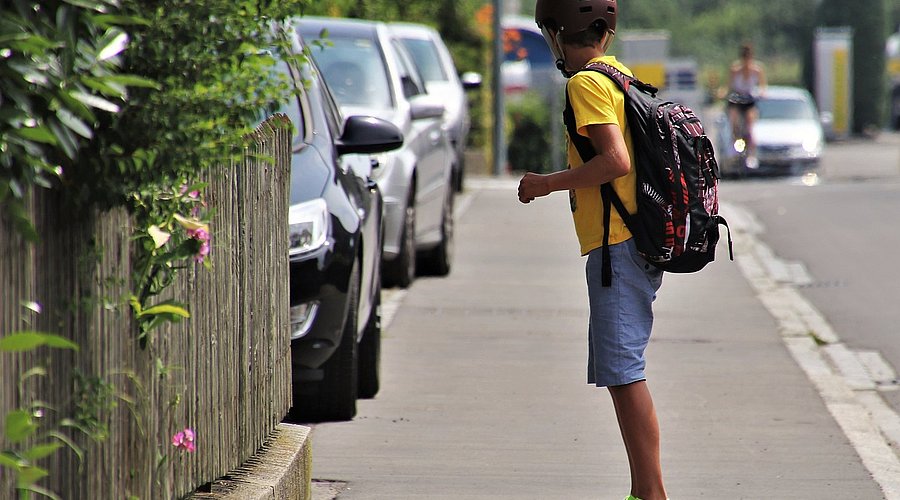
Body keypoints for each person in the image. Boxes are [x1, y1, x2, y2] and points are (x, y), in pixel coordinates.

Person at [517, 1, 668, 499]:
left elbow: (615, 161)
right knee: (622, 371)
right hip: (632, 240)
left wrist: (546, 183)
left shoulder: (584, 83)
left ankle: (650, 494)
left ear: (559, 34)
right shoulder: (619, 74)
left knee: (625, 374)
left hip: (618, 243)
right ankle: (642, 491)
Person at [726, 43, 767, 168]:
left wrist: (761, 93)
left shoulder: (757, 70)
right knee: (734, 120)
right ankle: (734, 146)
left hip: (749, 99)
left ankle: (751, 154)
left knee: (750, 125)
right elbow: (729, 86)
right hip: (737, 98)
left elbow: (762, 87)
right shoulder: (735, 69)